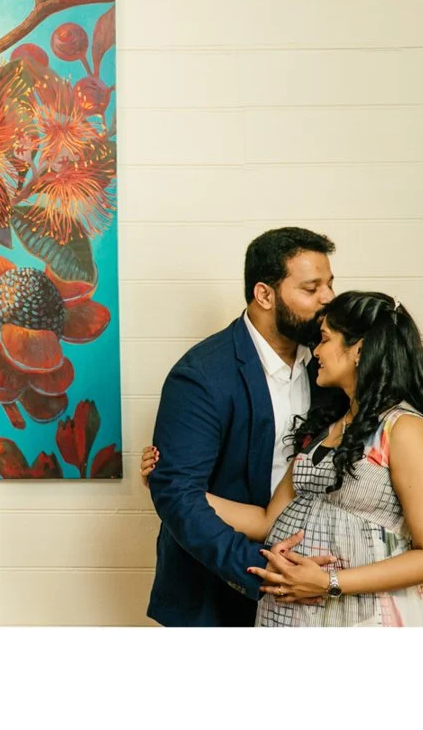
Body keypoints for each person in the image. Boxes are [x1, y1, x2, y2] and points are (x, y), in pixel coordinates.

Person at [146, 292, 423, 627]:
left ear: (360, 349)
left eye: (324, 340)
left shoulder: (403, 429)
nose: (316, 352)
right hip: (300, 616)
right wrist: (173, 484)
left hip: (372, 618)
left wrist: (330, 583)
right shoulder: (326, 428)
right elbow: (267, 520)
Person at [142, 227, 336, 627]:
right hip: (216, 591)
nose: (328, 299)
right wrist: (261, 571)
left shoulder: (333, 364)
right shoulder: (200, 374)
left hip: (320, 581)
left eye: (330, 285)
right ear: (264, 294)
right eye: (311, 288)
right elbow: (179, 496)